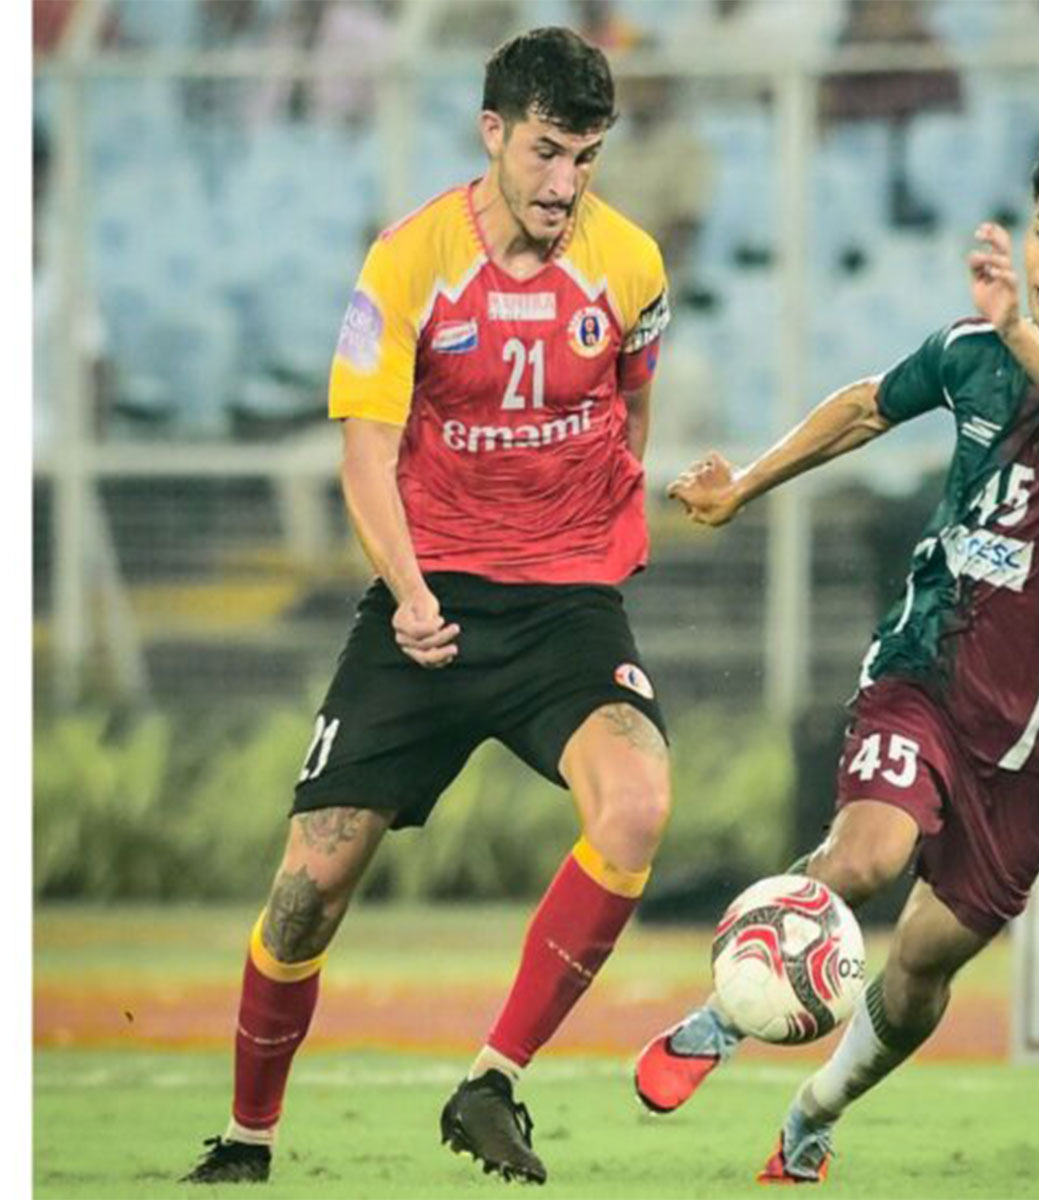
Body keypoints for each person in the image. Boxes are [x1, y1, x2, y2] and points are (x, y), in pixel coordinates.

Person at [634, 126, 1039, 1183]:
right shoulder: (972, 351)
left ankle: (812, 1110)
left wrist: (1020, 331)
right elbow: (860, 408)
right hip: (924, 671)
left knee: (926, 962)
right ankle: (725, 1011)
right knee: (864, 860)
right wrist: (744, 483)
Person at [182, 27, 673, 1187]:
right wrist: (406, 596)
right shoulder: (406, 264)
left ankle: (491, 1082)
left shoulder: (634, 267)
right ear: (492, 133)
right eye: (547, 151)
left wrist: (614, 529)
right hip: (431, 602)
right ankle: (247, 1143)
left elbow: (630, 412)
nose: (564, 184)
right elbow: (367, 456)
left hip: (563, 609)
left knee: (639, 805)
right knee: (310, 886)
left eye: (587, 159)